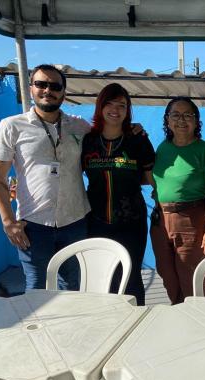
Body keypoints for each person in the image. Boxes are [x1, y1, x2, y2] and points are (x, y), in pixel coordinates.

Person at [0, 64, 91, 290]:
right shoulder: (11, 127)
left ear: (63, 92)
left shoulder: (79, 126)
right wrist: (8, 222)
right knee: (36, 291)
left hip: (74, 221)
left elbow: (108, 134)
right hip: (32, 225)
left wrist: (133, 129)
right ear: (31, 88)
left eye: (55, 86)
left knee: (72, 288)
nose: (48, 90)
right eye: (41, 84)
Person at [81, 83, 155, 306]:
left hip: (131, 222)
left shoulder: (138, 140)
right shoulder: (88, 141)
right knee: (103, 278)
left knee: (131, 279)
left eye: (122, 105)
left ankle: (137, 326)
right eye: (109, 103)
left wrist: (162, 203)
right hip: (96, 221)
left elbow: (151, 178)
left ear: (128, 110)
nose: (115, 109)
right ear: (100, 107)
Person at [150, 96, 205, 304]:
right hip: (160, 222)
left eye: (187, 115)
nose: (181, 120)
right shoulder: (163, 148)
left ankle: (194, 325)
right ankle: (178, 321)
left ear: (196, 121)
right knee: (167, 276)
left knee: (191, 282)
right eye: (175, 115)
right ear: (167, 120)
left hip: (191, 221)